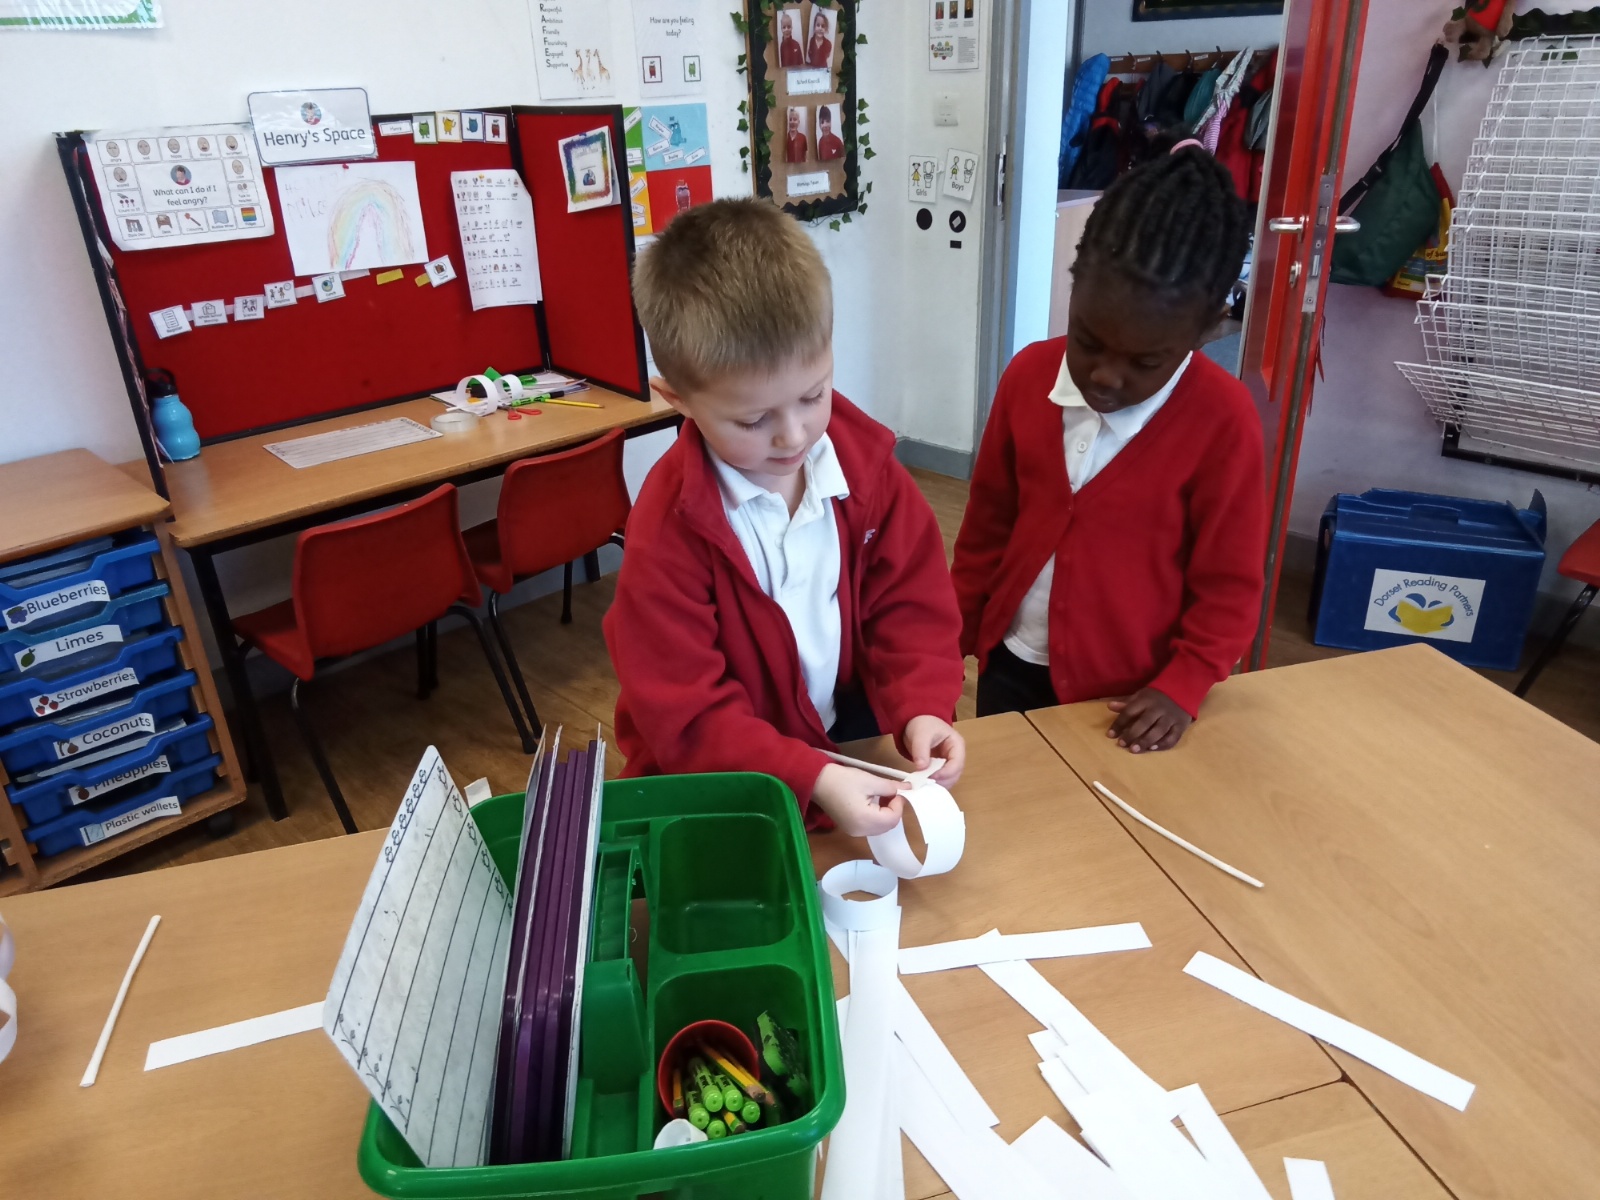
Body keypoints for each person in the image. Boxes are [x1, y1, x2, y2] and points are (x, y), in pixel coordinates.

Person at [606, 199, 966, 838]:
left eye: (813, 394)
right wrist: (810, 776)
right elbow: (687, 714)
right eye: (752, 420)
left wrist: (921, 708)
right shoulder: (668, 532)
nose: (793, 435)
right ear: (677, 399)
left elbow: (909, 605)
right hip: (721, 782)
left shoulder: (867, 471)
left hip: (840, 740)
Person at [951, 145, 1264, 754]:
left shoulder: (1224, 422)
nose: (1105, 376)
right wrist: (949, 635)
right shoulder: (1027, 377)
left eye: (1145, 363)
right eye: (1088, 340)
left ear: (1207, 329)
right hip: (1010, 664)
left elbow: (1230, 587)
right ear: (1074, 285)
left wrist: (1184, 685)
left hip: (1130, 700)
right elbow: (987, 527)